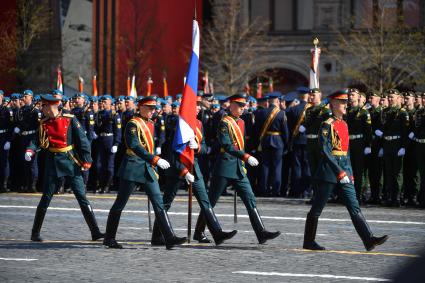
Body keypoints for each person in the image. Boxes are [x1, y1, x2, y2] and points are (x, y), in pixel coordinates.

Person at [302, 89, 388, 251]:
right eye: (341, 103)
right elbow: (325, 150)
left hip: (344, 171)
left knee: (353, 205)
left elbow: (346, 151)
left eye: (346, 102)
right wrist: (339, 171)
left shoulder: (344, 124)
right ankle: (309, 241)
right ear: (333, 104)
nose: (345, 105)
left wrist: (349, 172)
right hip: (329, 172)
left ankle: (368, 239)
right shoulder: (327, 124)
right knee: (317, 208)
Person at [194, 93, 281, 244]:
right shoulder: (224, 123)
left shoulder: (241, 122)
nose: (242, 109)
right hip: (224, 166)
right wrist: (246, 157)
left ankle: (261, 232)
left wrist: (243, 160)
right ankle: (199, 232)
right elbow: (227, 145)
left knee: (250, 198)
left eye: (243, 106)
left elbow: (243, 144)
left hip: (238, 167)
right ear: (232, 105)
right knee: (211, 201)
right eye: (239, 106)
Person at [103, 96, 186, 249]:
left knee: (159, 203)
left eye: (153, 108)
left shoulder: (151, 124)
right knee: (120, 204)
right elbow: (135, 146)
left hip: (148, 168)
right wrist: (155, 159)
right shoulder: (133, 124)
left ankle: (169, 237)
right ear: (140, 107)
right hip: (133, 168)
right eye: (149, 108)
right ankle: (109, 238)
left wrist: (154, 160)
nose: (152, 111)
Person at [152, 95, 237, 245]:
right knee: (167, 203)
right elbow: (173, 152)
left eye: (200, 106)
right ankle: (157, 236)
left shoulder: (199, 123)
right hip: (178, 168)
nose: (199, 108)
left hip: (194, 167)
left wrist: (197, 147)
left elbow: (204, 147)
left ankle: (217, 233)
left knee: (205, 201)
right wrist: (183, 171)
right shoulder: (178, 124)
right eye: (196, 105)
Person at [26, 94, 104, 242]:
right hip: (53, 162)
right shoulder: (43, 122)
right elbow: (37, 140)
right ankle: (35, 233)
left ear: (50, 107)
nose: (41, 108)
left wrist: (87, 160)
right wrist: (30, 150)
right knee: (46, 197)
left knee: (82, 197)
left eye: (43, 106)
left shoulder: (70, 119)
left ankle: (95, 231)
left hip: (70, 161)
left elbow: (83, 140)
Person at [253, 91, 289, 197]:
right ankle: (276, 190)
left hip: (265, 140)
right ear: (278, 101)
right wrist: (286, 144)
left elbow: (257, 130)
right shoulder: (282, 113)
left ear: (268, 101)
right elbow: (285, 131)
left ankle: (263, 189)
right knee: (277, 166)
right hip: (278, 141)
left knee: (265, 166)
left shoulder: (262, 112)